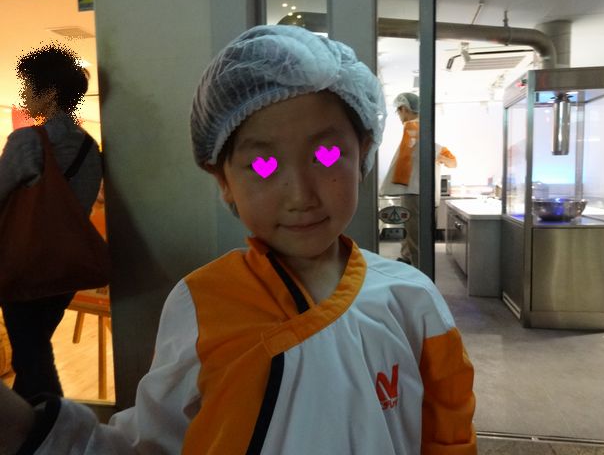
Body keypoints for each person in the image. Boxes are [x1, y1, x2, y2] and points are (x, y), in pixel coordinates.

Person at [0, 25, 476, 455]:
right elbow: (152, 443)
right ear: (223, 180)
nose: (300, 195)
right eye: (263, 165)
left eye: (328, 155)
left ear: (363, 152)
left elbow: (450, 433)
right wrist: (28, 430)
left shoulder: (412, 300)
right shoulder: (201, 302)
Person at [0, 45, 102, 400]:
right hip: (66, 266)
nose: (24, 95)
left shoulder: (27, 141)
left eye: (29, 86)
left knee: (32, 360)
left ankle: (56, 426)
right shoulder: (90, 148)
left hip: (25, 263)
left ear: (50, 93)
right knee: (34, 352)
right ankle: (33, 425)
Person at [379, 92, 457, 267]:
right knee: (411, 229)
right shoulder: (424, 134)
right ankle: (406, 256)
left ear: (404, 109)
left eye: (399, 112)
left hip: (414, 192)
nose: (399, 116)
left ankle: (418, 267)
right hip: (417, 192)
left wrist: (437, 156)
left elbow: (405, 162)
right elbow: (452, 162)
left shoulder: (413, 128)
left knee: (416, 234)